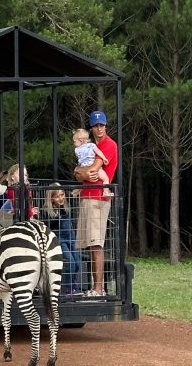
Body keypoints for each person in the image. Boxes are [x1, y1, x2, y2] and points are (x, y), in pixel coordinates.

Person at [74, 110, 118, 297]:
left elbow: (92, 171)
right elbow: (78, 172)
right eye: (96, 126)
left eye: (102, 125)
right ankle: (93, 287)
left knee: (96, 243)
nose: (99, 129)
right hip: (87, 195)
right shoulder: (89, 145)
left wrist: (80, 172)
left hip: (98, 197)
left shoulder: (108, 144)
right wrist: (79, 171)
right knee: (89, 244)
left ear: (106, 126)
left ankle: (99, 289)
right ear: (91, 128)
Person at [43, 184, 81, 295]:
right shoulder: (48, 211)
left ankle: (73, 282)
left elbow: (73, 194)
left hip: (71, 237)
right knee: (70, 263)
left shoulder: (67, 205)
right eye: (57, 196)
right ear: (51, 199)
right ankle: (67, 288)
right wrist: (57, 215)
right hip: (60, 239)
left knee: (77, 263)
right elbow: (49, 226)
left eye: (62, 194)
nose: (61, 198)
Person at [73, 128, 113, 196]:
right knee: (106, 179)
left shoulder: (76, 150)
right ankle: (106, 192)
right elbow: (98, 152)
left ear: (80, 140)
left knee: (81, 177)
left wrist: (78, 168)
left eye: (74, 141)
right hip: (91, 164)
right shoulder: (91, 145)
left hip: (83, 166)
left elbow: (79, 159)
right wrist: (104, 158)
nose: (74, 143)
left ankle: (79, 188)